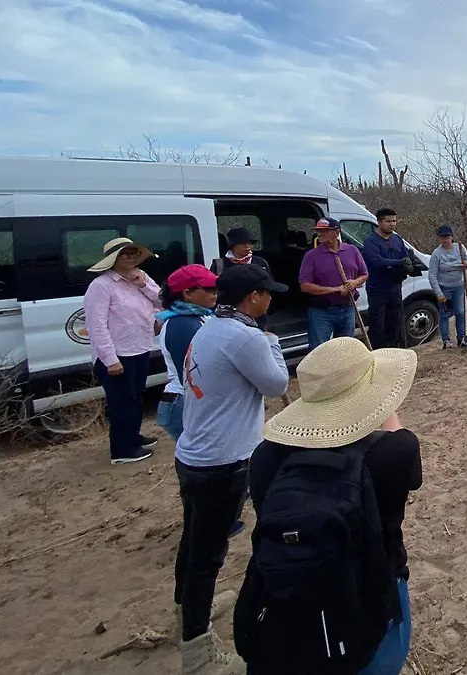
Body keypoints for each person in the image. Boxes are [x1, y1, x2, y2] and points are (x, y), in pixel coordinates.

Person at [237, 338, 422, 675]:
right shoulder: (395, 453)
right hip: (371, 597)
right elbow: (401, 444)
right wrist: (379, 402)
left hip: (284, 602)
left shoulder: (264, 457)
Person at [173, 263, 290, 673]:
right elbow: (276, 384)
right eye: (267, 293)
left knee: (193, 544)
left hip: (194, 455)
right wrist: (272, 341)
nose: (271, 299)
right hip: (223, 461)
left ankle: (186, 612)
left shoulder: (210, 327)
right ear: (253, 297)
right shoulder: (246, 337)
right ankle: (198, 652)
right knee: (207, 558)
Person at [83, 237, 161, 465]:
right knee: (121, 401)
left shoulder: (141, 276)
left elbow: (161, 301)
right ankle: (121, 450)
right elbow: (96, 325)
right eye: (125, 254)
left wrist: (143, 284)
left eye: (134, 253)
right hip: (118, 354)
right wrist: (110, 359)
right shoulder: (101, 285)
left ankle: (133, 437)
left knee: (136, 397)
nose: (130, 257)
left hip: (140, 347)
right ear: (113, 259)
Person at [156, 264, 219, 441]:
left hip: (188, 401)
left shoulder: (200, 316)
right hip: (183, 403)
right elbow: (192, 375)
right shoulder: (182, 326)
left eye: (216, 288)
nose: (214, 293)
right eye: (208, 289)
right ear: (187, 293)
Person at [299, 217, 368, 349]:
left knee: (345, 350)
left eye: (324, 231)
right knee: (319, 351)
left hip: (348, 308)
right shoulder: (311, 256)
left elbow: (364, 274)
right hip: (322, 312)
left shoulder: (352, 250)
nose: (320, 234)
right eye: (318, 231)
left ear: (336, 233)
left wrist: (354, 283)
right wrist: (336, 289)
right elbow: (304, 286)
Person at [363, 208, 411, 348]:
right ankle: (377, 352)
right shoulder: (371, 241)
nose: (392, 224)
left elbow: (406, 256)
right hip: (377, 289)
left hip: (395, 288)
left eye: (394, 221)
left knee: (395, 323)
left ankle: (394, 351)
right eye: (388, 221)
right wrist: (400, 262)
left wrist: (409, 265)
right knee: (377, 325)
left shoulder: (397, 239)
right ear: (379, 222)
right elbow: (377, 261)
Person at [212, 227, 273, 332]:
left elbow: (269, 286)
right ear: (233, 245)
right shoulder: (220, 265)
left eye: (250, 243)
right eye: (243, 243)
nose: (247, 246)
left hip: (258, 315)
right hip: (230, 316)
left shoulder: (260, 263)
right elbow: (214, 290)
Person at [428, 224, 467, 349]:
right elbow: (432, 275)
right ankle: (446, 340)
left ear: (452, 237)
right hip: (444, 288)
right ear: (439, 238)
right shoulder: (437, 254)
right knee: (445, 314)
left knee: (460, 312)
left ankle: (461, 338)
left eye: (447, 237)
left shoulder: (460, 248)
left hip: (458, 286)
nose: (445, 240)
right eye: (442, 237)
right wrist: (439, 294)